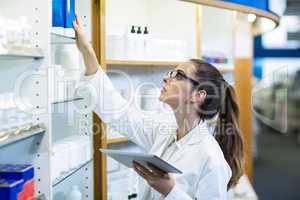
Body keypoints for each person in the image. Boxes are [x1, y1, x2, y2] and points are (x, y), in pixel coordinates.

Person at [73, 14, 244, 200]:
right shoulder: (164, 130)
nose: (166, 77)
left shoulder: (211, 159)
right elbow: (120, 113)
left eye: (178, 75)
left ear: (198, 95)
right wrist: (87, 52)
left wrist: (171, 191)